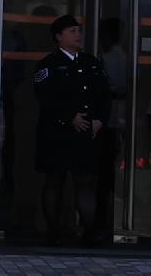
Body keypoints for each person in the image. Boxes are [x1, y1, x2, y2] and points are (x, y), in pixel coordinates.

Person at [29, 12, 114, 244]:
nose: (78, 35)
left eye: (79, 31)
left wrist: (100, 119)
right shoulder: (49, 65)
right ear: (59, 37)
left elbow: (105, 94)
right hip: (56, 133)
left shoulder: (91, 63)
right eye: (72, 31)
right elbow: (45, 96)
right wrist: (69, 116)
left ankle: (90, 231)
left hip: (86, 131)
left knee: (86, 181)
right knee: (54, 179)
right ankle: (53, 231)